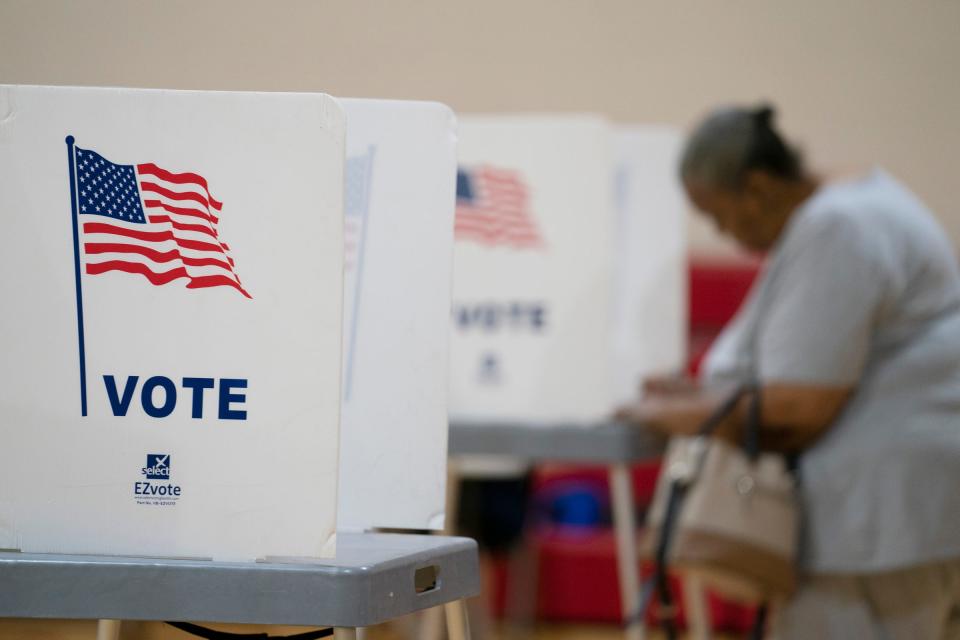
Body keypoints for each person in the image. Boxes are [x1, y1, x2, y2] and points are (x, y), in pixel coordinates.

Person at [617, 104, 960, 638]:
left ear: (755, 187)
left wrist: (670, 413)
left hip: (875, 532)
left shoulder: (837, 226)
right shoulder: (862, 203)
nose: (724, 233)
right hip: (897, 521)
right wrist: (702, 392)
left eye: (717, 214)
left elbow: (798, 408)